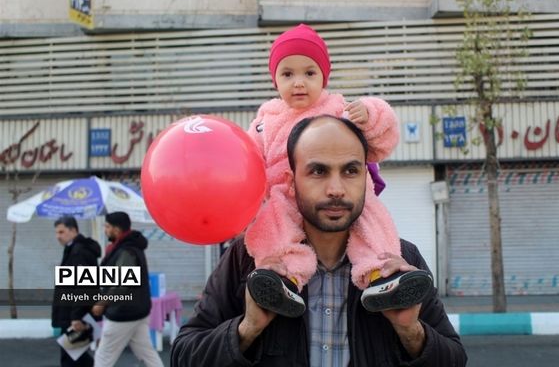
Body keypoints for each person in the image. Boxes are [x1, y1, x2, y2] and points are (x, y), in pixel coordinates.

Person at [171, 116, 467, 366]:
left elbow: (455, 358)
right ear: (291, 181)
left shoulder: (397, 261)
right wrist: (247, 329)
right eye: (318, 171)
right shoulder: (249, 258)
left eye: (350, 171)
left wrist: (411, 332)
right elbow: (184, 353)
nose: (336, 189)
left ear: (365, 177)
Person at [244, 23, 432, 317]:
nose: (298, 83)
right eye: (287, 74)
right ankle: (284, 277)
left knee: (369, 218)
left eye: (309, 73)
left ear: (324, 77)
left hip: (342, 196)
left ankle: (381, 274)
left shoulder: (338, 109)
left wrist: (369, 115)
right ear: (274, 80)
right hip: (284, 191)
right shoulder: (264, 121)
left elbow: (382, 135)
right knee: (271, 226)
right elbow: (249, 159)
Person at [91, 211, 164, 367]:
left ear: (116, 230)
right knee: (147, 353)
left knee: (103, 356)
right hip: (138, 311)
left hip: (123, 312)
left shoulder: (126, 251)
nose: (105, 230)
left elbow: (121, 285)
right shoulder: (128, 247)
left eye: (107, 226)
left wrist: (102, 302)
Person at [52, 215, 100, 367]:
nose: (57, 237)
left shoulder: (78, 252)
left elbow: (83, 286)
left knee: (70, 356)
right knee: (75, 355)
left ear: (73, 230)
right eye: (56, 233)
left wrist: (76, 316)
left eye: (61, 232)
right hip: (71, 311)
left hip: (74, 313)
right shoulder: (72, 249)